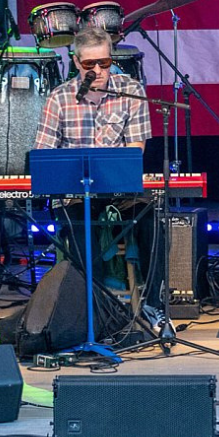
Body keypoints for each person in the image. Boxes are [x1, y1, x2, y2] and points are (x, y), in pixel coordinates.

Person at [34, 25, 153, 292]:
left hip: (120, 191)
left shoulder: (131, 91)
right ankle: (96, 307)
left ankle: (152, 303)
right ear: (76, 62)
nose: (97, 70)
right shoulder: (59, 98)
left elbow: (135, 151)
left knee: (151, 221)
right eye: (89, 64)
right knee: (82, 235)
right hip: (76, 195)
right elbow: (44, 154)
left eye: (104, 63)